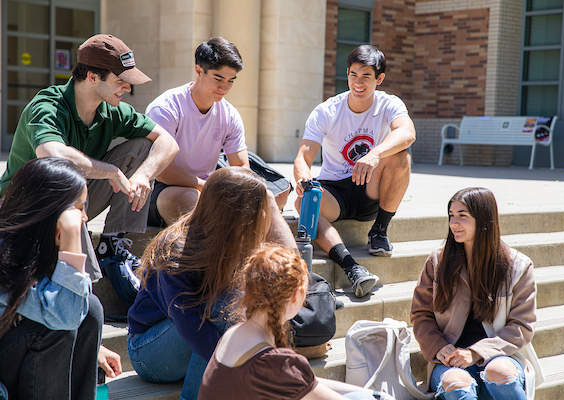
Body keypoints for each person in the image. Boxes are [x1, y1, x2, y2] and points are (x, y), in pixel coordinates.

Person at [0, 34, 179, 283]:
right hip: (22, 209)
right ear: (93, 77)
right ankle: (86, 285)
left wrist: (143, 175)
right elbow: (52, 154)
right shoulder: (48, 105)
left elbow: (167, 141)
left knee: (141, 147)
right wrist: (112, 171)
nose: (128, 88)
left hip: (72, 201)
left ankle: (113, 247)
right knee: (66, 184)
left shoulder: (112, 111)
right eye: (121, 81)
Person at [127, 167, 297, 400]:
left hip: (195, 348)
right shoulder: (175, 247)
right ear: (235, 213)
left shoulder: (234, 241)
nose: (264, 216)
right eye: (260, 209)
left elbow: (290, 277)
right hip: (149, 352)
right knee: (224, 308)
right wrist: (239, 367)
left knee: (237, 304)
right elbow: (189, 324)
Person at [294, 44, 415, 298]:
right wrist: (303, 180)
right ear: (347, 73)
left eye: (366, 77)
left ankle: (379, 231)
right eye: (353, 75)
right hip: (335, 191)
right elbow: (303, 158)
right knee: (303, 202)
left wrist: (375, 154)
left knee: (401, 156)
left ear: (379, 79)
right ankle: (351, 267)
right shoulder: (327, 110)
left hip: (370, 189)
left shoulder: (388, 104)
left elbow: (407, 133)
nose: (358, 83)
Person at [198, 244, 395, 400]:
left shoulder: (233, 333)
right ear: (297, 296)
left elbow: (307, 383)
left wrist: (373, 394)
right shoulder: (275, 362)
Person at [0, 157, 122, 399]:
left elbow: (71, 311)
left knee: (90, 311)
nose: (84, 218)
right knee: (54, 328)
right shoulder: (5, 253)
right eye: (78, 209)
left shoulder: (36, 247)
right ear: (48, 209)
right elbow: (62, 317)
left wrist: (92, 347)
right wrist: (70, 237)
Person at [410, 187, 543, 400]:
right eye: (451, 215)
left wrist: (476, 353)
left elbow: (522, 326)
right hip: (450, 361)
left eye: (462, 216)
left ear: (483, 219)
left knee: (499, 372)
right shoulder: (438, 261)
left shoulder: (518, 266)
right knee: (456, 383)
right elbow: (421, 314)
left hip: (500, 355)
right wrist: (438, 346)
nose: (454, 223)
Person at [145, 37, 290, 227]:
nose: (225, 88)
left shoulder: (229, 115)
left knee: (267, 198)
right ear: (198, 71)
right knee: (191, 198)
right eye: (218, 78)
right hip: (159, 190)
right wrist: (210, 188)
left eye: (231, 81)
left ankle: (288, 257)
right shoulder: (166, 108)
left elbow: (240, 167)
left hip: (207, 188)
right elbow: (163, 171)